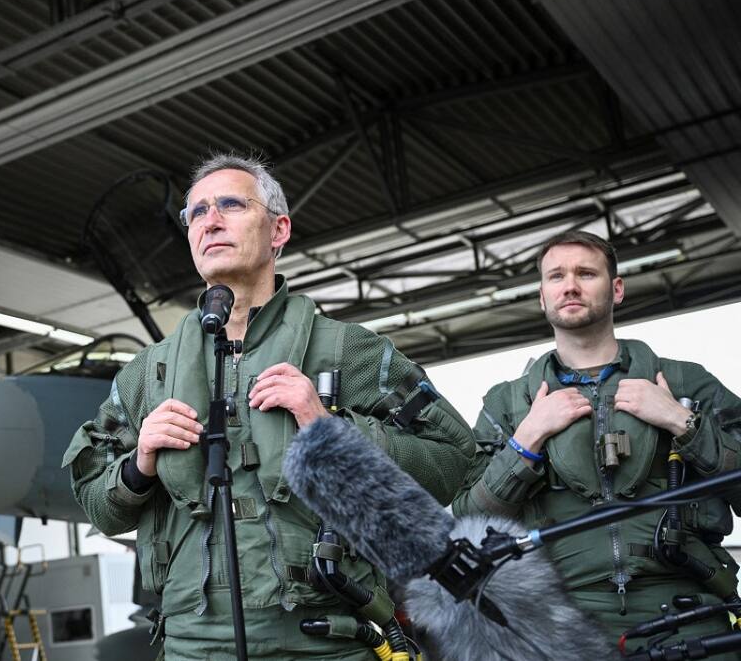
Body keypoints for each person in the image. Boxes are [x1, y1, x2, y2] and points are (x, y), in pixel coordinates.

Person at [64, 154, 475, 659]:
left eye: (231, 205)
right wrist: (139, 463)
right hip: (193, 645)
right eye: (197, 212)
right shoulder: (147, 374)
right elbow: (99, 507)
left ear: (279, 229)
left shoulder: (347, 351)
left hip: (324, 640)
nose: (211, 221)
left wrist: (330, 427)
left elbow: (455, 459)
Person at [452, 230, 741, 648]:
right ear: (542, 297)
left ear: (617, 289)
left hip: (688, 615)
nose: (570, 285)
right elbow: (468, 523)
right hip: (561, 626)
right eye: (556, 276)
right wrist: (527, 439)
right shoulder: (509, 405)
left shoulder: (683, 384)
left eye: (586, 273)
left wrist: (682, 421)